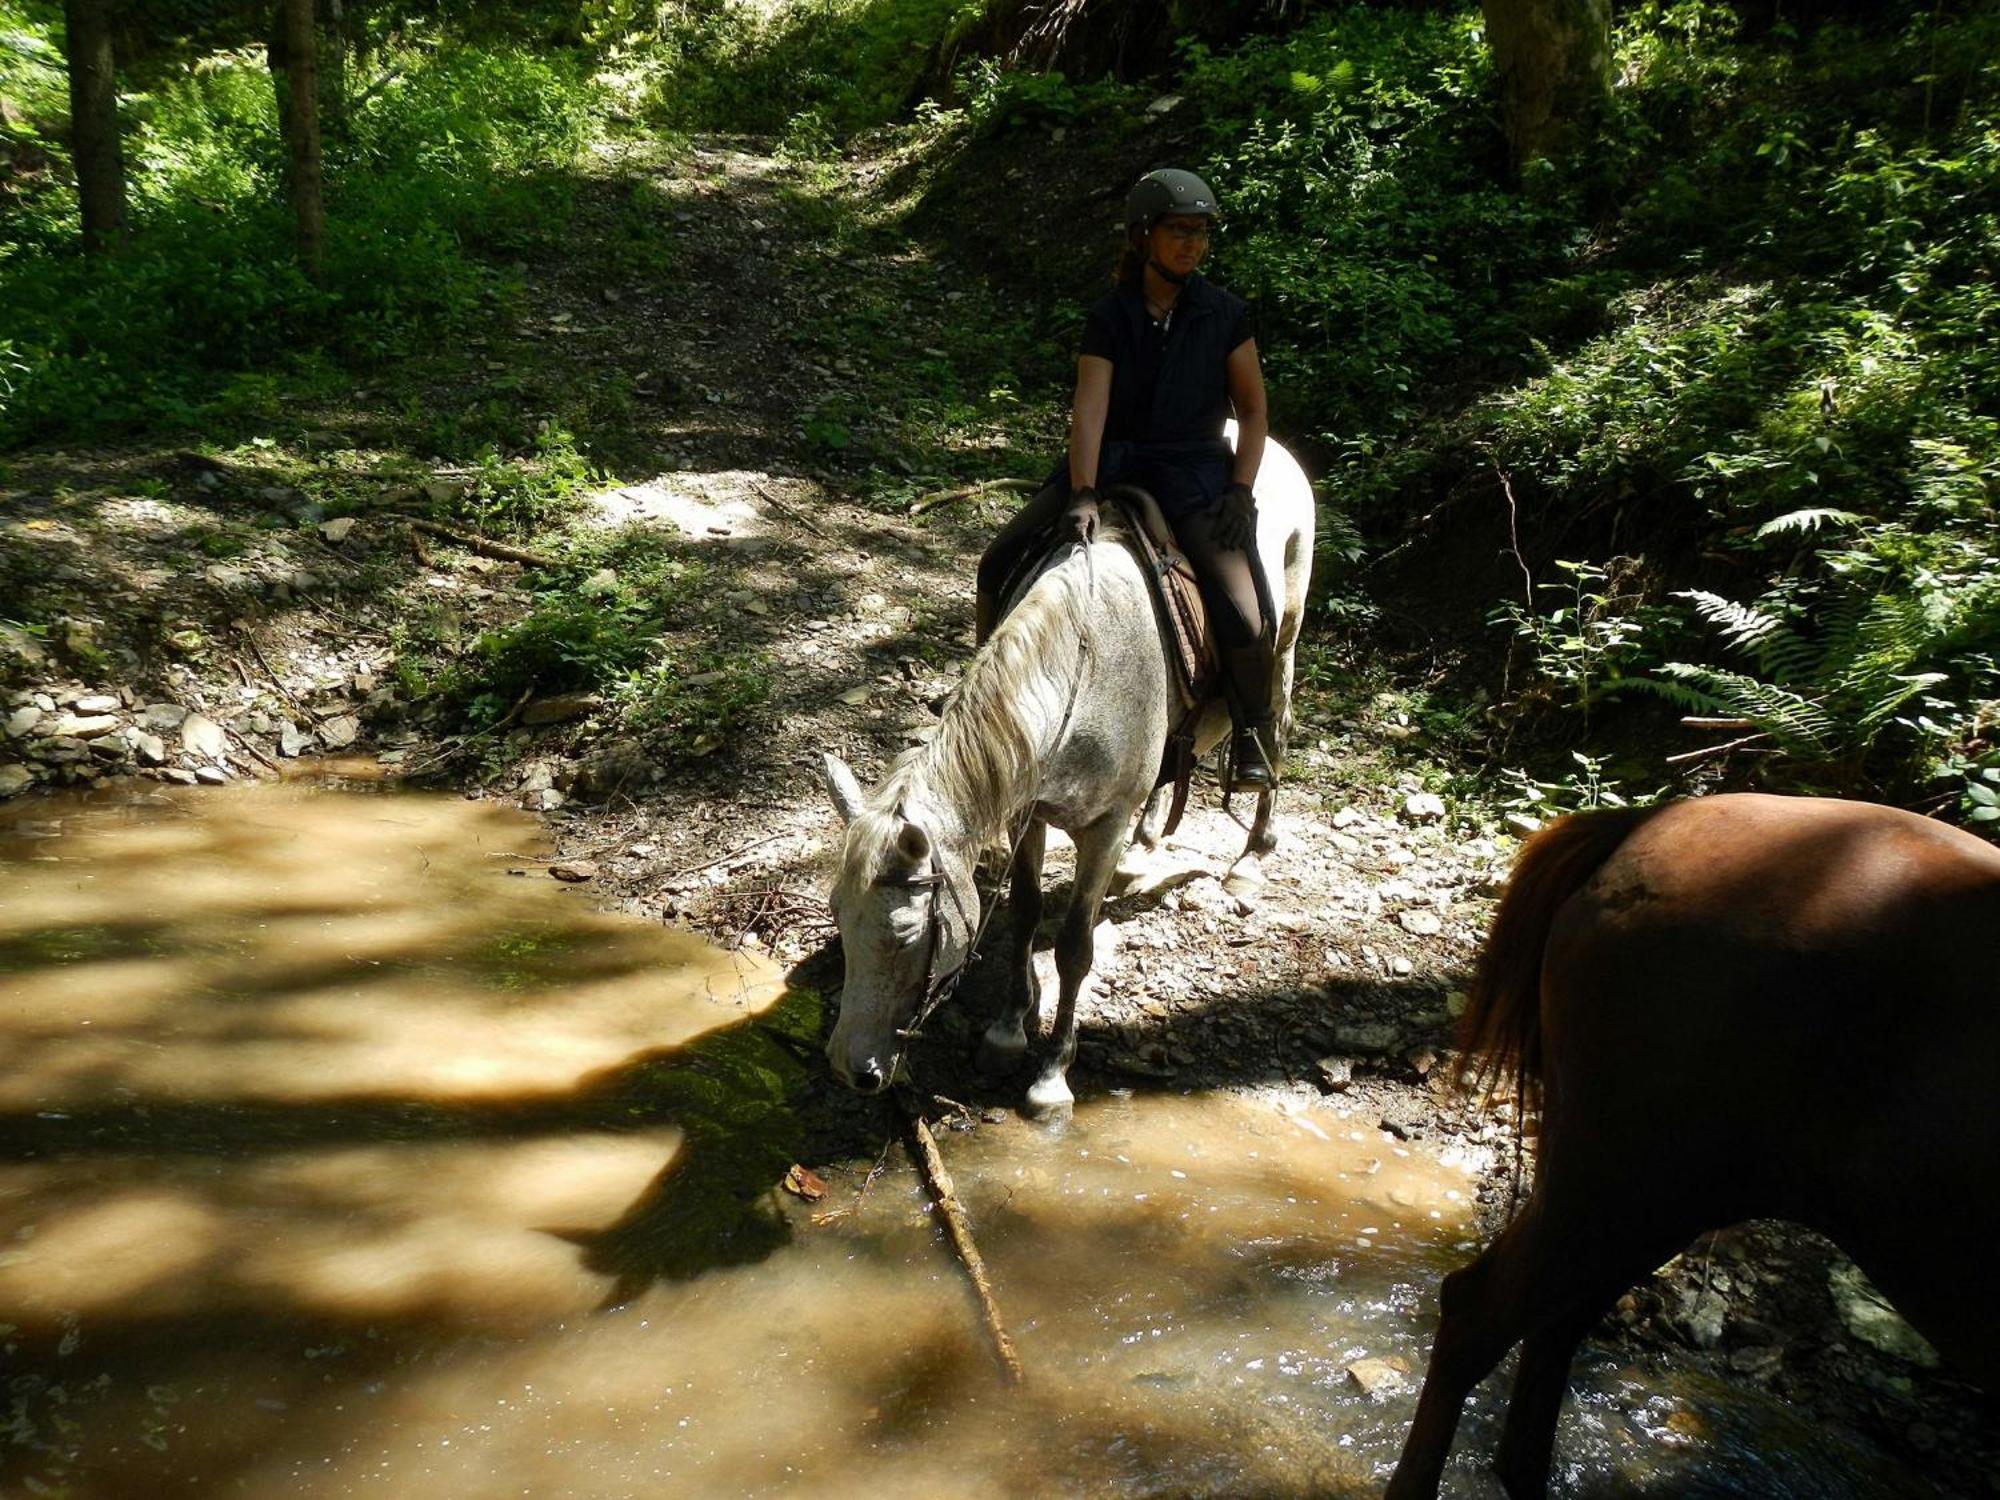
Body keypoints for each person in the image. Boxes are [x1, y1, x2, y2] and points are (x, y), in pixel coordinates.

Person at [973, 167, 1278, 790]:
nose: (1192, 244)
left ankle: (1254, 732)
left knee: (1244, 617)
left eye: (1201, 233)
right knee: (996, 560)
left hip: (1191, 473)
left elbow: (1252, 412)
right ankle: (979, 696)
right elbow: (1091, 407)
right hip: (1114, 463)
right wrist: (1082, 490)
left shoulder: (1226, 315)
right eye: (1178, 231)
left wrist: (1241, 491)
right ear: (1144, 236)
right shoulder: (1110, 316)